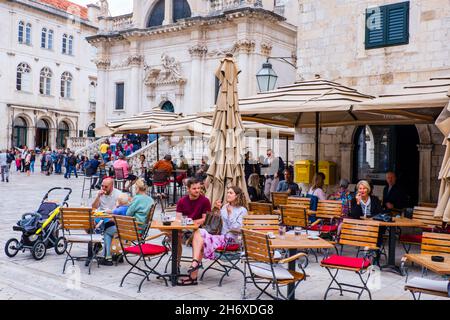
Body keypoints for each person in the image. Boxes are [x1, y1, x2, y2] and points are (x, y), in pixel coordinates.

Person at [178, 186, 247, 286]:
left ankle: (193, 273)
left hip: (232, 241)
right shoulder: (225, 206)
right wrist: (215, 209)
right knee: (198, 233)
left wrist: (230, 214)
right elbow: (215, 224)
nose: (228, 194)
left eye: (231, 193)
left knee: (199, 236)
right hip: (221, 238)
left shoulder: (242, 210)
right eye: (227, 192)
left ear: (237, 196)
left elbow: (238, 229)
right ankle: (193, 273)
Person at [175, 178, 211, 265]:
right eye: (194, 188)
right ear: (188, 189)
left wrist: (190, 222)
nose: (197, 190)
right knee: (175, 236)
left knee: (196, 235)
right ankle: (176, 264)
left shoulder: (205, 201)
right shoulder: (181, 201)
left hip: (199, 228)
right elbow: (178, 219)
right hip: (184, 227)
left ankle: (194, 264)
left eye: (199, 188)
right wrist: (183, 223)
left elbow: (205, 219)